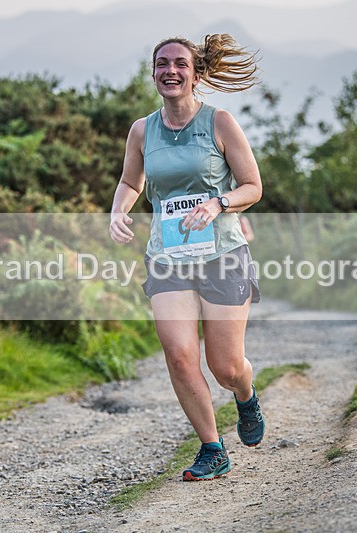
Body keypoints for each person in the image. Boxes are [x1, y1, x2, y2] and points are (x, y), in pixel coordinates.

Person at [109, 34, 265, 481]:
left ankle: (245, 394)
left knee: (225, 366)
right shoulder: (142, 130)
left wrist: (218, 203)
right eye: (162, 63)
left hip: (223, 254)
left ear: (196, 73)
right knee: (179, 356)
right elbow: (130, 181)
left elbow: (253, 187)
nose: (170, 71)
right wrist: (118, 211)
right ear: (154, 72)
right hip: (167, 257)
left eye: (180, 63)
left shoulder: (220, 122)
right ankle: (212, 448)